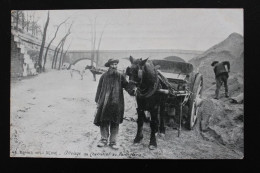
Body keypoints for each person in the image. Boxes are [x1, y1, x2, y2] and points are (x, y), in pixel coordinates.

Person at [94, 58, 133, 150]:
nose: (114, 66)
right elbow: (99, 89)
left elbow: (127, 87)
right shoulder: (103, 76)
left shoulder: (120, 76)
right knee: (104, 121)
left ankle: (113, 142)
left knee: (115, 122)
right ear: (109, 65)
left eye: (116, 64)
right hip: (105, 103)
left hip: (117, 103)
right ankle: (103, 140)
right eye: (112, 64)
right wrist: (97, 101)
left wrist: (132, 86)